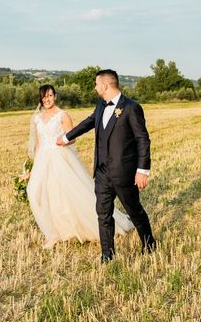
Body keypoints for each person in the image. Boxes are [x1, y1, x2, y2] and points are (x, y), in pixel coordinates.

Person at [56, 69, 157, 263]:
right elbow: (88, 123)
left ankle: (149, 243)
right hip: (102, 172)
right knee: (103, 214)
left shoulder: (131, 108)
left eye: (96, 84)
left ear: (105, 85)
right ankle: (107, 254)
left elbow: (142, 140)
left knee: (134, 210)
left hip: (124, 173)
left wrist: (142, 171)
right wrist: (66, 137)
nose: (95, 87)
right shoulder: (101, 106)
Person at [22, 84, 134, 249]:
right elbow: (39, 144)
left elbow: (72, 137)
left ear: (55, 96)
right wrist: (33, 167)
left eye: (50, 96)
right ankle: (52, 232)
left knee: (61, 194)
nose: (47, 99)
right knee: (35, 192)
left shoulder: (62, 115)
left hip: (59, 157)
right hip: (43, 160)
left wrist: (61, 139)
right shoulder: (38, 118)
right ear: (41, 98)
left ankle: (66, 230)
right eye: (44, 97)